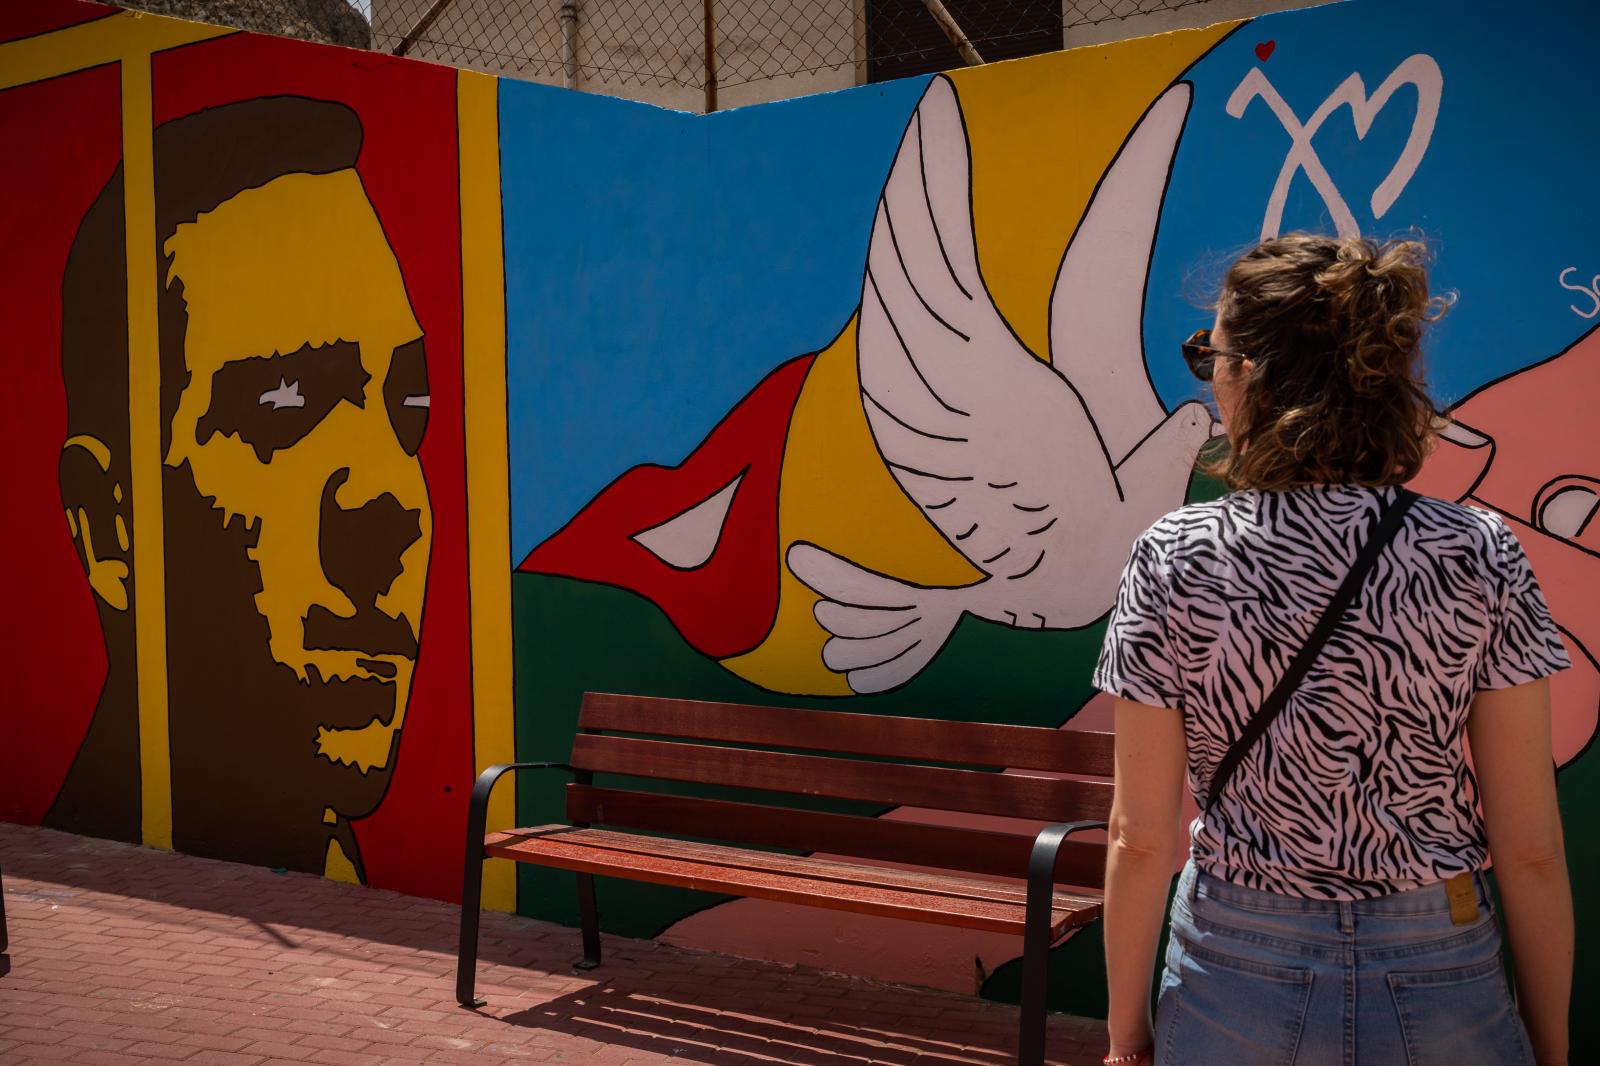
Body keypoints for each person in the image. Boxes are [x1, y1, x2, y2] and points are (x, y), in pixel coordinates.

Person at [1092, 234, 1574, 1065]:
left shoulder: (1175, 555)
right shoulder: (1478, 550)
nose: (1209, 375)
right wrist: (1554, 1046)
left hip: (1234, 957)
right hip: (1441, 955)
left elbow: (1140, 838)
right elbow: (1530, 848)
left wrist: (1125, 1031)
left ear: (1250, 375)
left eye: (1212, 353)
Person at [48, 97, 432, 883]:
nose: (394, 502)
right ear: (110, 526)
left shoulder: (332, 867)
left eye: (409, 408)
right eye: (283, 405)